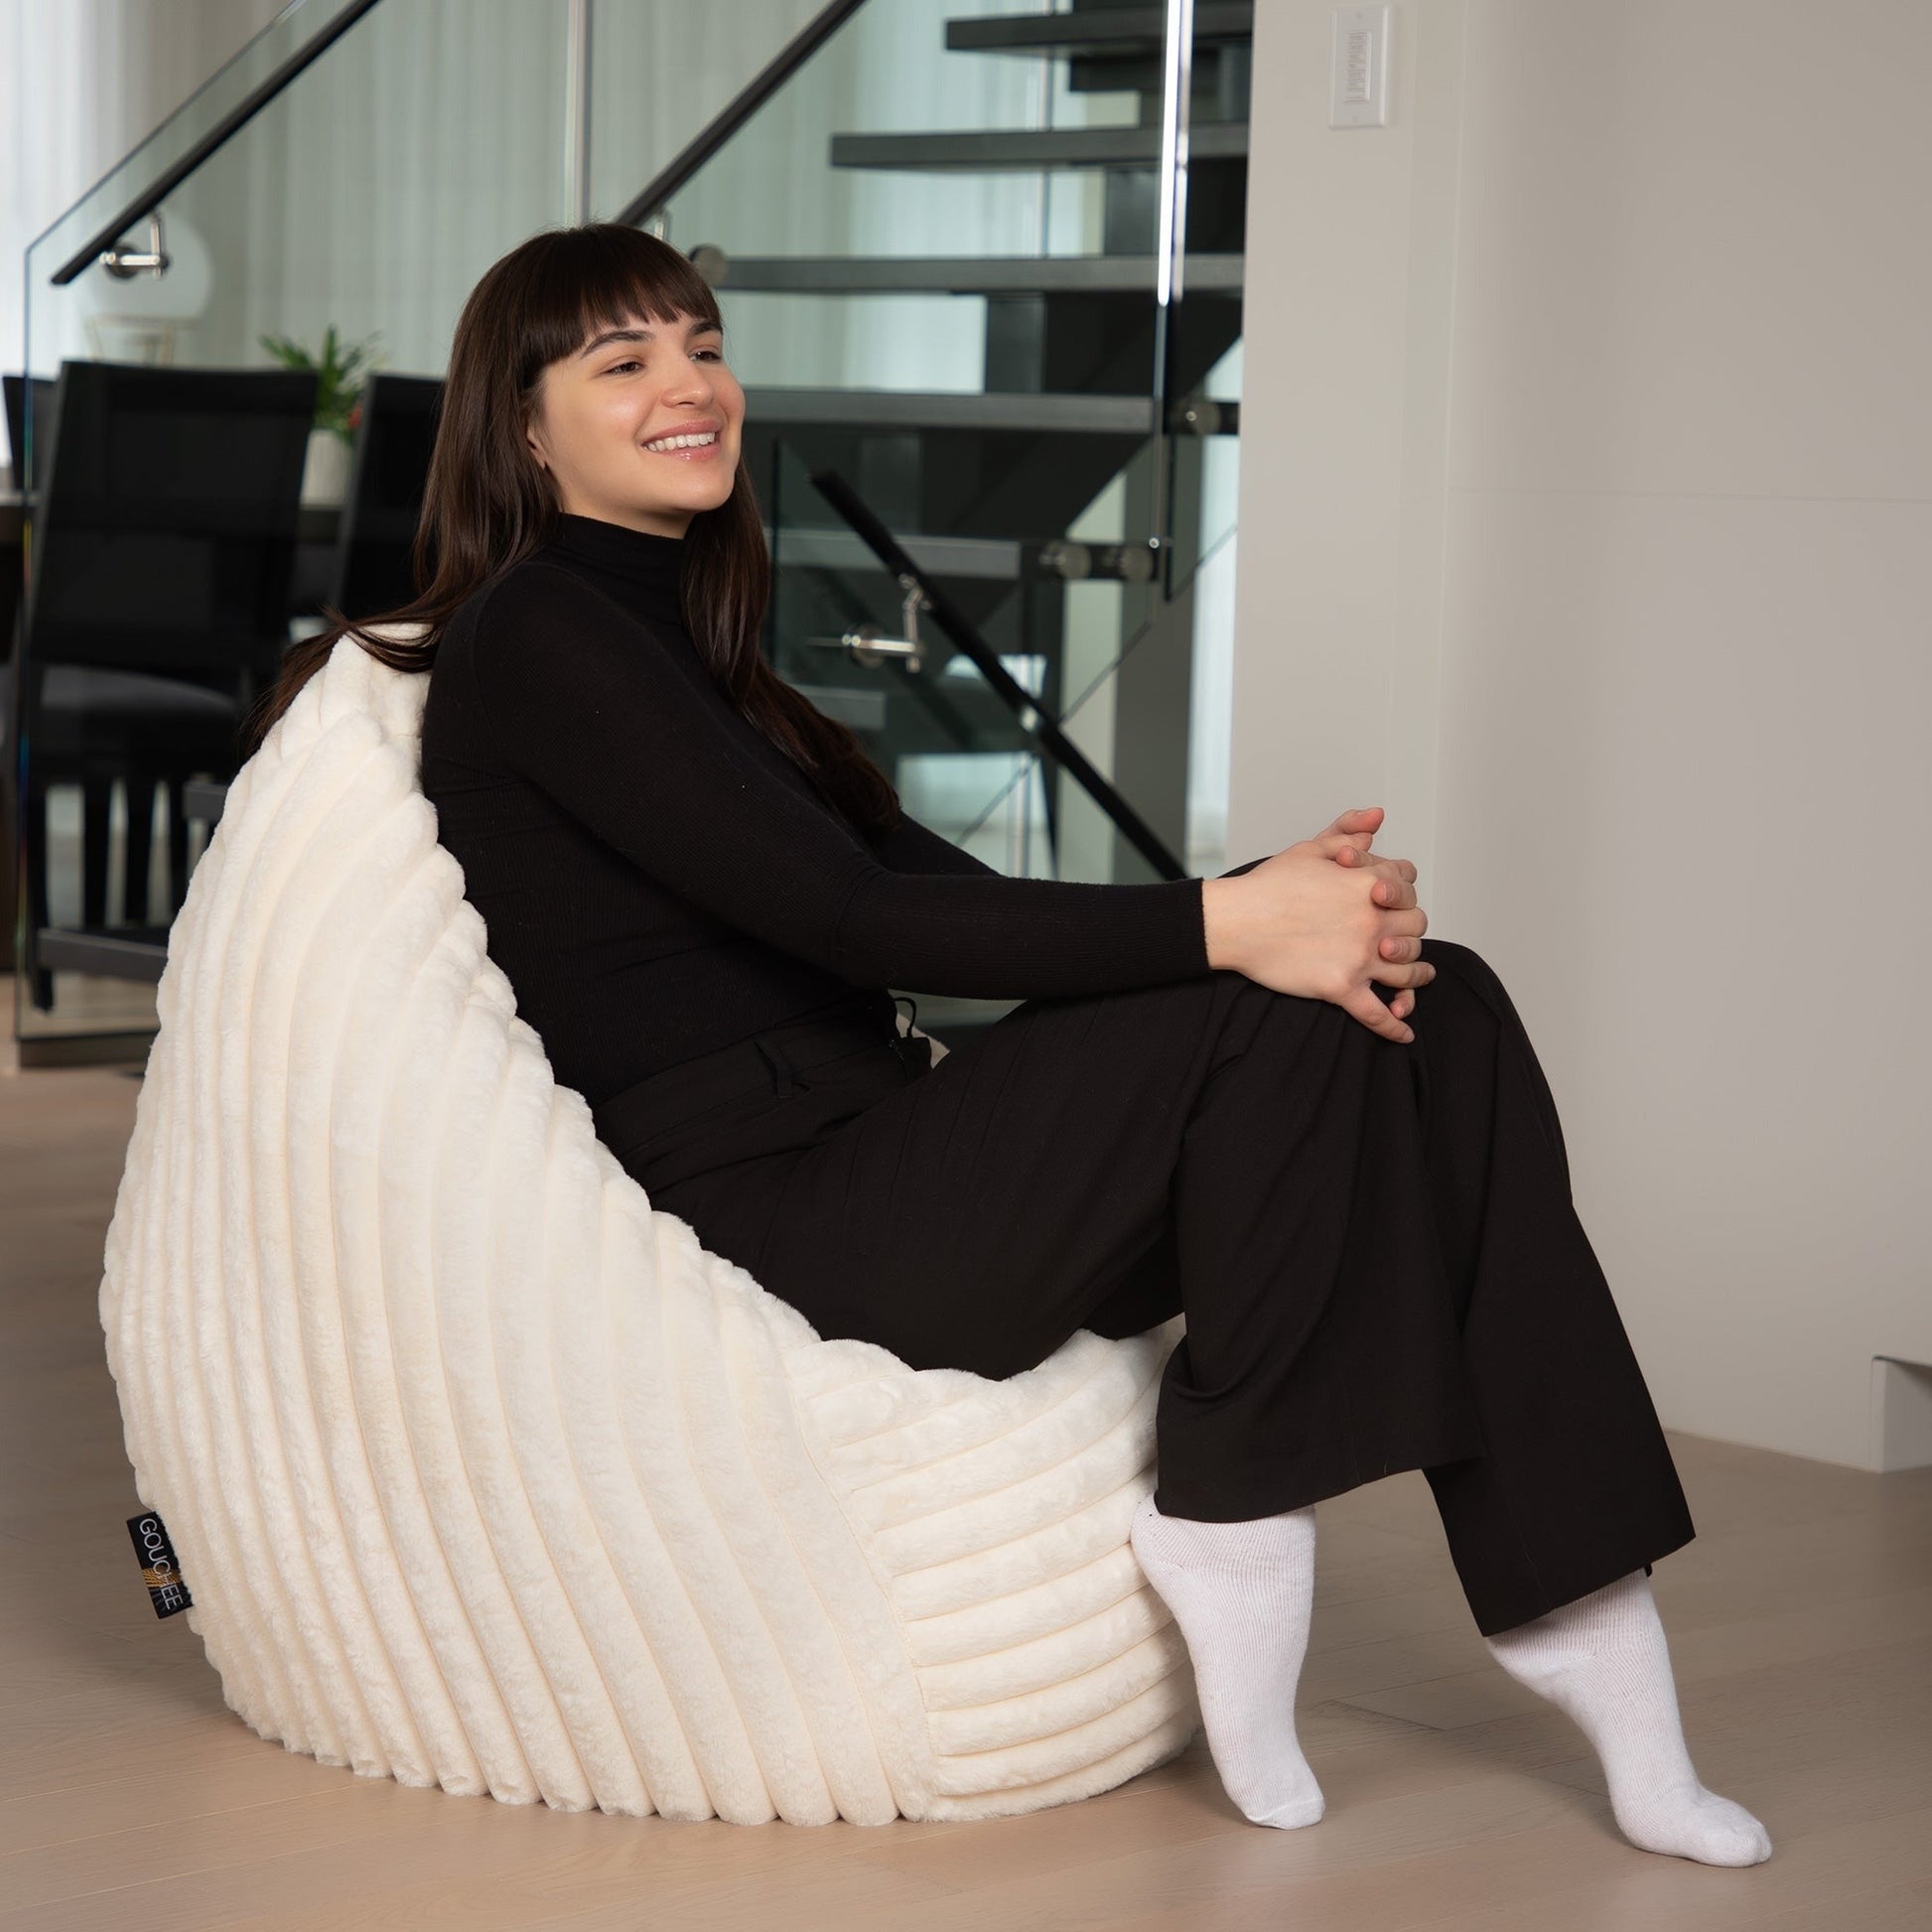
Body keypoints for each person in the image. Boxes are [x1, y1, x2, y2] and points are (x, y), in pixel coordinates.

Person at [246, 223, 1771, 1866]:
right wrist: (1228, 921)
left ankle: (1581, 1620)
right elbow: (860, 925)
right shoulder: (538, 636)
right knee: (1271, 1012)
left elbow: (946, 902)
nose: (689, 383)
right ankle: (1237, 1513)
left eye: (699, 342)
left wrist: (1284, 910)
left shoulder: (705, 658)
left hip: (911, 1157)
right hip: (792, 1225)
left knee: (1430, 999)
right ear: (522, 428)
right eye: (623, 362)